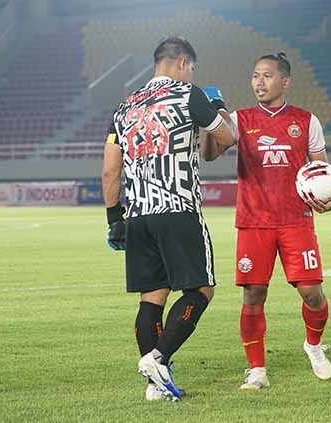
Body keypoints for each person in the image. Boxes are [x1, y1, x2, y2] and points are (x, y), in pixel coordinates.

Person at [101, 36, 236, 401]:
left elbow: (110, 172)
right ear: (183, 63)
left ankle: (154, 387)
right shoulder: (189, 95)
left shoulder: (124, 107)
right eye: (191, 68)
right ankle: (158, 359)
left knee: (151, 299)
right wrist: (217, 106)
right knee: (200, 289)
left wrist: (115, 218)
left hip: (139, 216)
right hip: (178, 209)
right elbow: (228, 136)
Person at [201, 52, 331, 390]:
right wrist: (207, 116)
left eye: (267, 76)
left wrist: (327, 197)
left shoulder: (307, 121)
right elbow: (208, 154)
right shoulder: (238, 119)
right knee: (253, 296)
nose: (259, 83)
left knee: (312, 294)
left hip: (296, 221)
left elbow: (322, 172)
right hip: (253, 222)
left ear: (285, 81)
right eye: (255, 76)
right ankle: (257, 369)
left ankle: (314, 345)